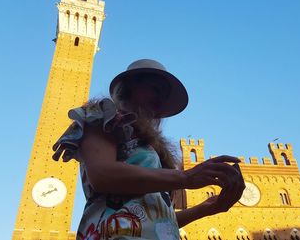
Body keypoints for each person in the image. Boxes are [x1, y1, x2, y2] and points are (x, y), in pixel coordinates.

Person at [52, 59, 245, 240]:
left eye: (164, 96)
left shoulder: (152, 149)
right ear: (129, 88)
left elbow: (157, 222)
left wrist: (210, 207)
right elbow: (102, 175)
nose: (160, 100)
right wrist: (186, 178)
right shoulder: (102, 116)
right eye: (155, 89)